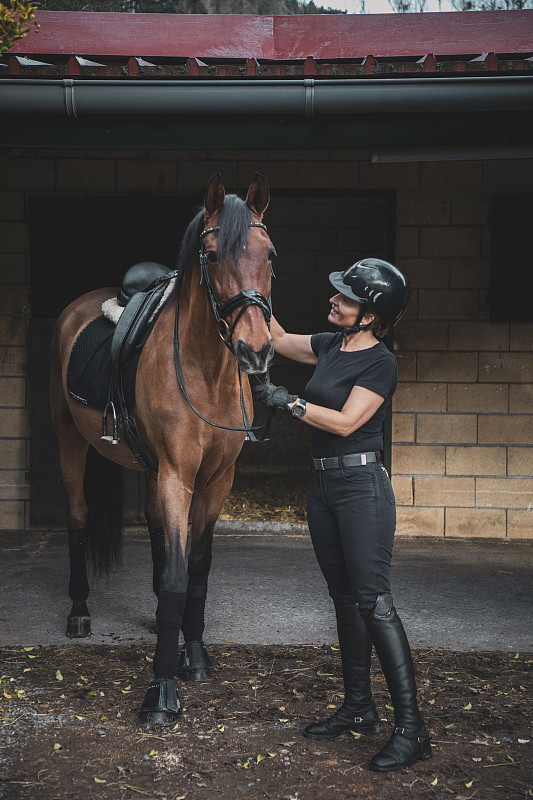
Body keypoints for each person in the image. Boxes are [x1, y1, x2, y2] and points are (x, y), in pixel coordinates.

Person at [253, 258, 431, 772]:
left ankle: (411, 729)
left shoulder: (380, 363)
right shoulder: (332, 345)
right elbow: (280, 339)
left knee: (374, 602)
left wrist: (287, 403)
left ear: (371, 316)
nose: (333, 300)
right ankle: (358, 709)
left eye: (345, 297)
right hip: (324, 486)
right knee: (345, 599)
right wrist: (250, 292)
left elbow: (348, 421)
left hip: (362, 489)